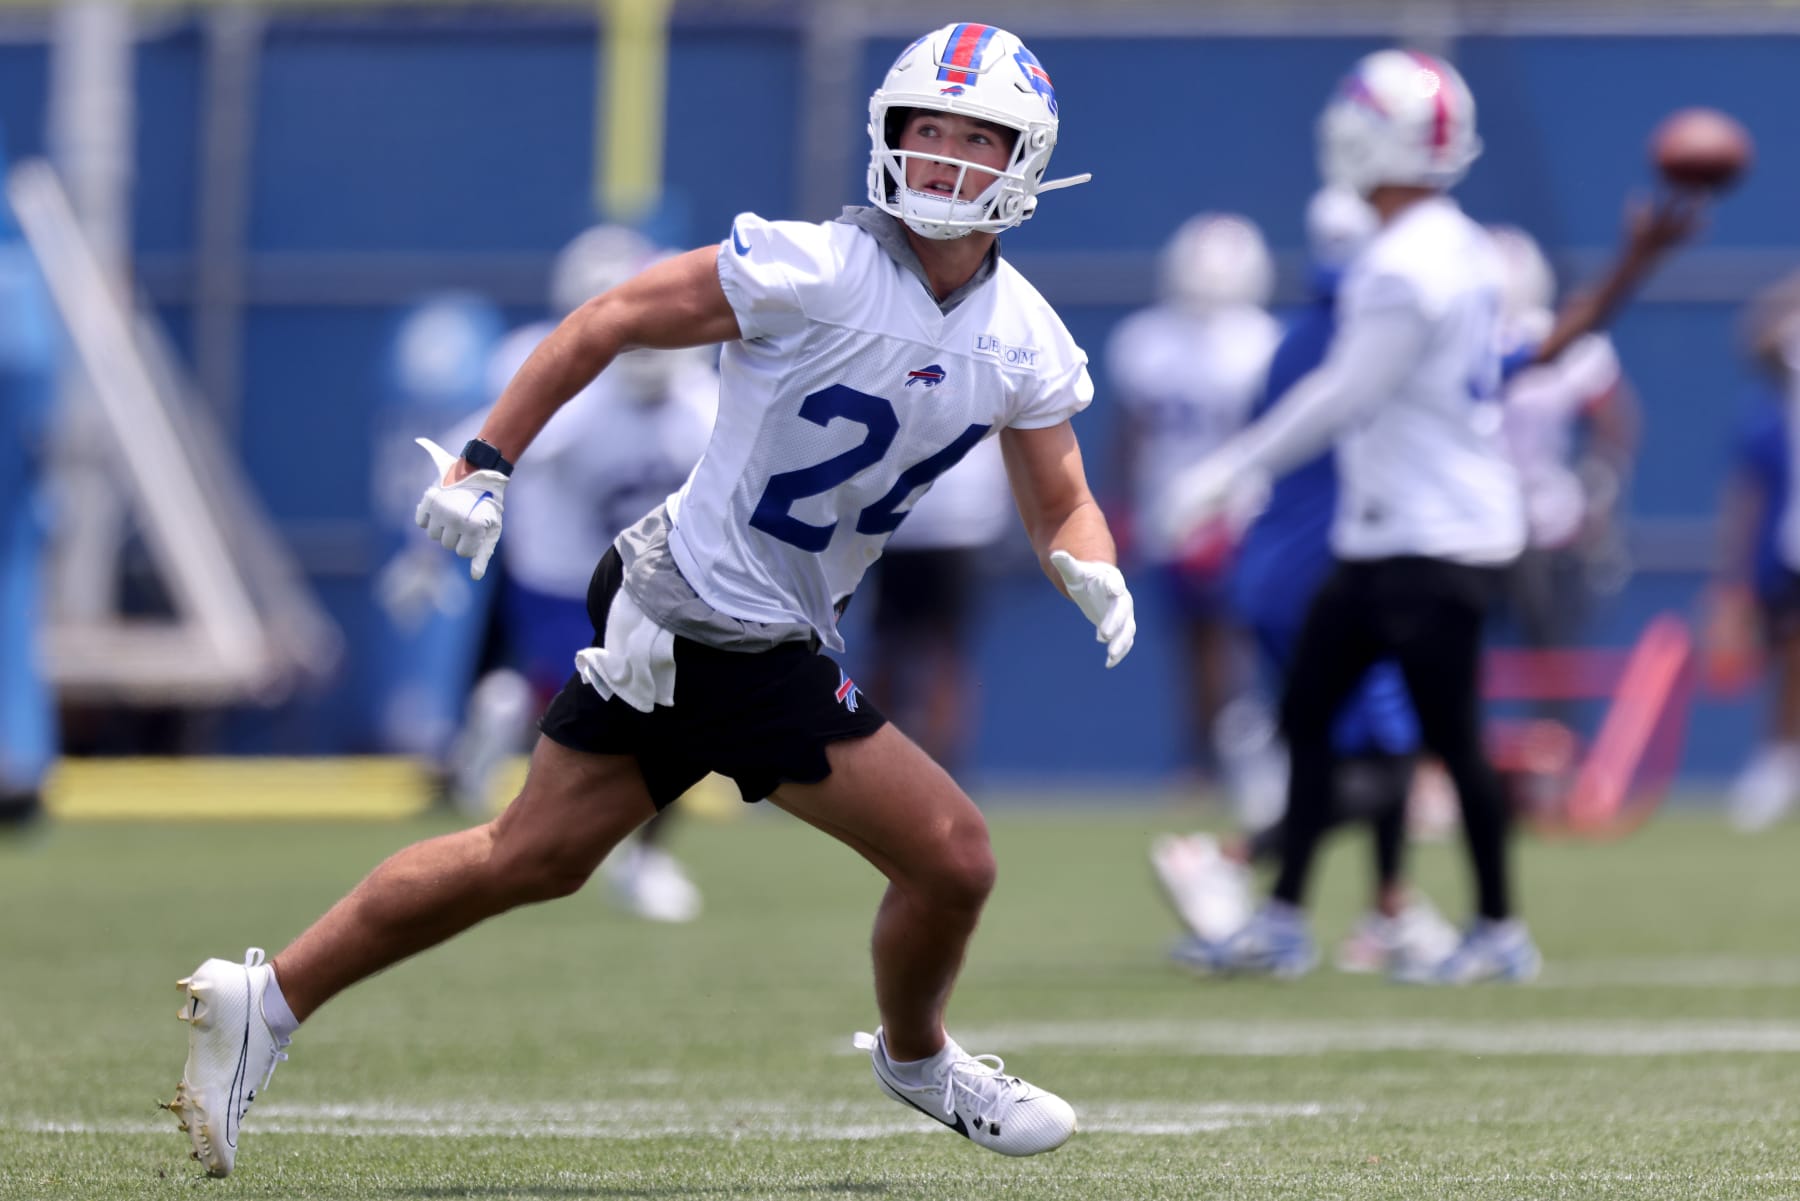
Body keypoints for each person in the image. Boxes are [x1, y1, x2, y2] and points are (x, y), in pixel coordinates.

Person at [165, 22, 1130, 1176]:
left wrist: (1092, 560)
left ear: (1025, 161)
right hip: (720, 620)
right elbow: (607, 319)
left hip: (700, 606)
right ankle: (919, 1060)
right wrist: (487, 459)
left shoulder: (1022, 336)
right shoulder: (814, 263)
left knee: (529, 854)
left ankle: (263, 1003)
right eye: (925, 129)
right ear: (885, 135)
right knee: (955, 856)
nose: (942, 158)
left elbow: (1061, 494)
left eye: (975, 138)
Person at [1152, 186, 1457, 977]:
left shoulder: (1296, 337)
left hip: (1283, 566)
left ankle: (1385, 907)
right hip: (1338, 568)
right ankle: (1230, 856)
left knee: (1363, 742)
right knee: (1388, 762)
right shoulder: (1365, 335)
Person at [443, 224, 719, 923]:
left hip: (655, 583)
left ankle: (644, 856)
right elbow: (477, 449)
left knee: (692, 720)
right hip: (563, 575)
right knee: (578, 721)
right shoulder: (573, 399)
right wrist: (452, 516)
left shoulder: (704, 407)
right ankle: (526, 788)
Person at [1107, 213, 1280, 796]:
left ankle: (1234, 760)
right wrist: (1125, 510)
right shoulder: (1149, 340)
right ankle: (1205, 759)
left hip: (1241, 513)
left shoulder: (1260, 342)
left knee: (1237, 642)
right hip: (1173, 513)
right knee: (1194, 644)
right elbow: (1131, 433)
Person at [862, 434, 1011, 777]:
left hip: (934, 518)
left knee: (934, 652)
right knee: (908, 650)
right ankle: (882, 765)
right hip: (924, 519)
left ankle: (928, 770)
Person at [1712, 278, 1800, 829]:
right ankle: (1780, 761)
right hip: (1791, 545)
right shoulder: (1773, 412)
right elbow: (1758, 339)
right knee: (1790, 656)